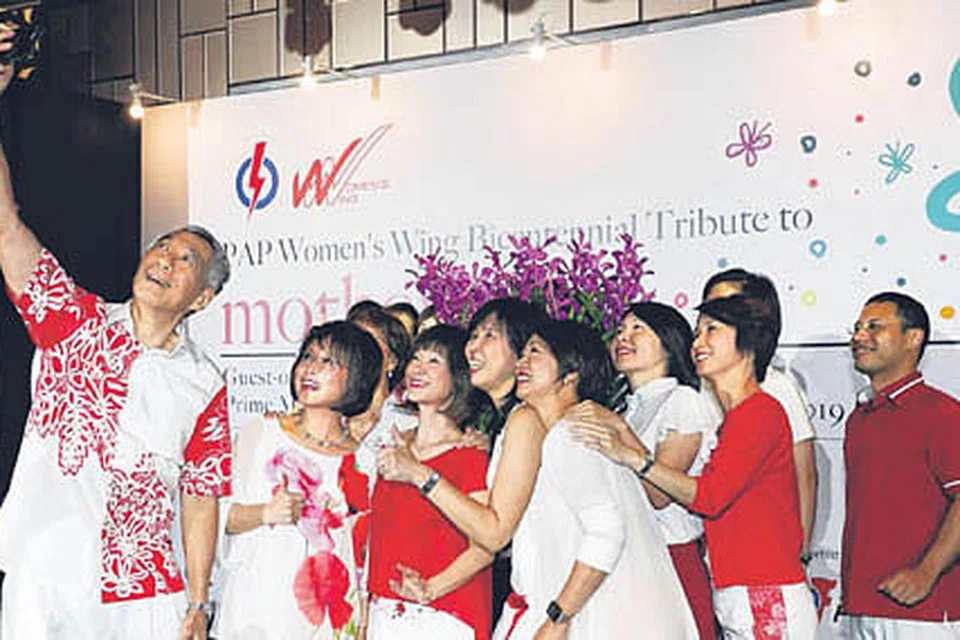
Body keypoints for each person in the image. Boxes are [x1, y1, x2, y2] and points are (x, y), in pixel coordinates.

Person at [0, 38, 231, 639]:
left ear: (202, 298)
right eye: (162, 247)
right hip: (48, 570)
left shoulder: (205, 384)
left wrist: (199, 603)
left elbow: (201, 494)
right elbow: (6, 228)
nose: (166, 259)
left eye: (186, 260)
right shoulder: (73, 320)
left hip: (143, 587)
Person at [571, 295, 817, 638]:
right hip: (737, 589)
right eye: (697, 332)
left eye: (712, 330)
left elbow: (709, 497)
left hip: (763, 589)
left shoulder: (759, 412)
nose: (698, 342)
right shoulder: (738, 417)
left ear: (747, 343)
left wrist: (634, 458)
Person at [496, 320, 697, 639]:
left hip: (592, 615)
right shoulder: (569, 433)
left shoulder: (573, 436)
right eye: (522, 354)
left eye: (535, 352)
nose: (522, 362)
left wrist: (558, 618)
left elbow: (607, 531)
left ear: (571, 374)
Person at [377, 298, 549, 631]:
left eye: (490, 335)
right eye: (474, 335)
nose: (473, 347)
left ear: (521, 352)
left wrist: (419, 473)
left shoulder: (524, 419)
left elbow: (493, 536)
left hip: (540, 597)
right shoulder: (495, 427)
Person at [213, 322, 383, 639]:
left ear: (358, 377)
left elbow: (366, 557)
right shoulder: (261, 433)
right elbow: (215, 516)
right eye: (307, 357)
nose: (310, 369)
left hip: (329, 623)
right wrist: (265, 513)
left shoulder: (366, 463)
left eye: (328, 361)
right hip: (255, 615)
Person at [841, 292, 959, 638]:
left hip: (923, 616)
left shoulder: (942, 414)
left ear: (913, 338)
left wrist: (926, 572)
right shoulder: (859, 418)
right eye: (857, 328)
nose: (859, 336)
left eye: (875, 326)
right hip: (860, 608)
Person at [601, 302, 719, 638]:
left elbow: (658, 495)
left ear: (669, 342)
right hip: (626, 558)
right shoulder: (625, 409)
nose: (623, 337)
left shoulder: (682, 400)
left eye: (638, 328)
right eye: (620, 330)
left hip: (672, 557)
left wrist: (618, 433)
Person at [367, 325, 492, 639]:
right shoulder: (393, 444)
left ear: (458, 377)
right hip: (383, 609)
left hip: (443, 614)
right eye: (415, 358)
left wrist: (430, 589)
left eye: (434, 361)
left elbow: (485, 547)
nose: (417, 368)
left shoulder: (470, 455)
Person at [700, 269, 818, 560]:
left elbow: (804, 474)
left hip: (763, 553)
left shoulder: (776, 388)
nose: (717, 313)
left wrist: (800, 551)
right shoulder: (697, 385)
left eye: (729, 305)